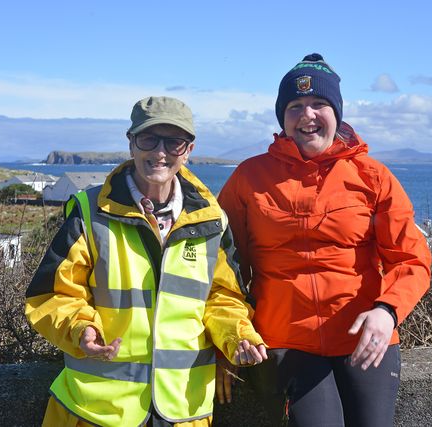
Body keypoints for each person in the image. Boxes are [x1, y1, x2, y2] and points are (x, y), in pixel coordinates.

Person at [217, 54, 432, 426]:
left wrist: (388, 311)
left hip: (365, 337)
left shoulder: (373, 176)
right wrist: (223, 339)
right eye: (295, 106)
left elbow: (411, 259)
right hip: (285, 339)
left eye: (319, 104)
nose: (308, 115)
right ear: (282, 117)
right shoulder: (248, 178)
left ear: (337, 112)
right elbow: (225, 270)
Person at [26, 96, 267, 427]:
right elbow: (50, 295)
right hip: (97, 412)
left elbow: (224, 298)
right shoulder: (89, 211)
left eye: (174, 142)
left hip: (183, 410)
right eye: (148, 139)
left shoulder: (212, 221)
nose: (160, 152)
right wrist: (80, 329)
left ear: (189, 150)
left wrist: (237, 335)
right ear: (131, 144)